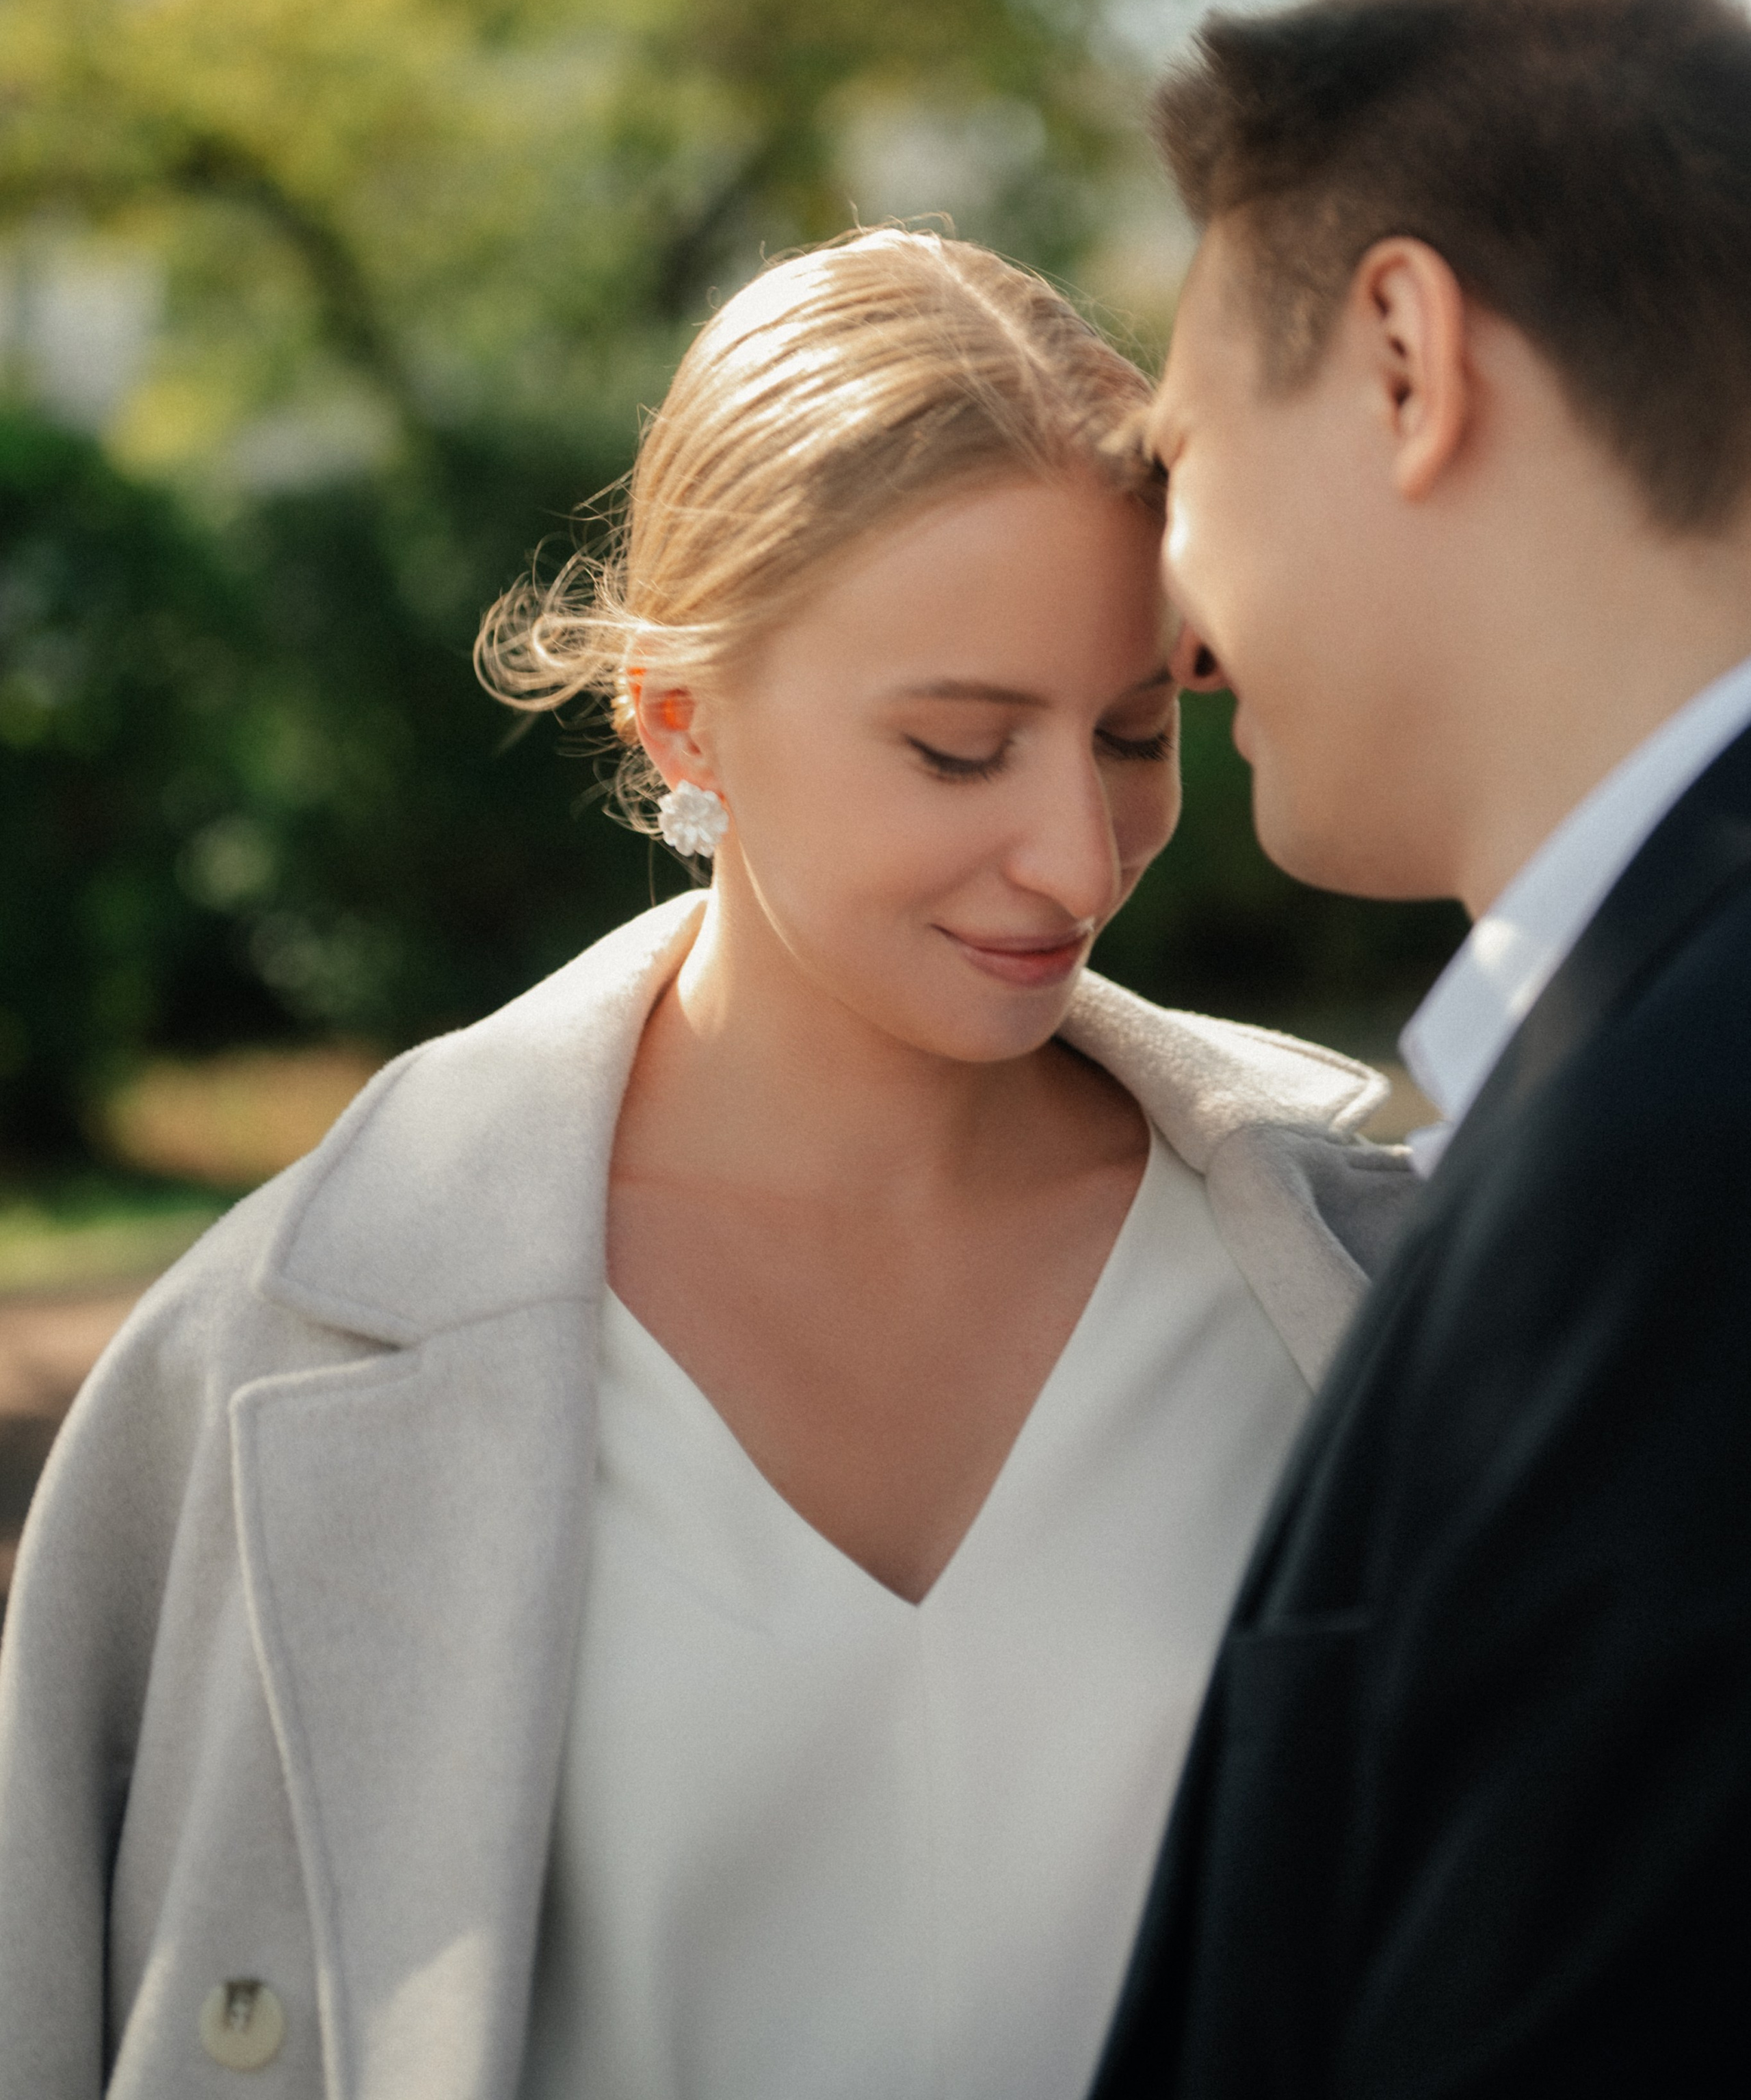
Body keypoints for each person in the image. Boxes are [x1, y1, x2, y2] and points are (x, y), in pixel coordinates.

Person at [0, 229, 1411, 2100]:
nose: (1080, 858)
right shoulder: (261, 1350)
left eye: (1136, 735)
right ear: (680, 715)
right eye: (958, 747)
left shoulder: (1363, 1269)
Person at [1090, 0, 1751, 2099]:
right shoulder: (1631, 1072)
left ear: (1403, 357)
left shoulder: (1680, 1157)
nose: (1173, 629)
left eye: (1183, 461)